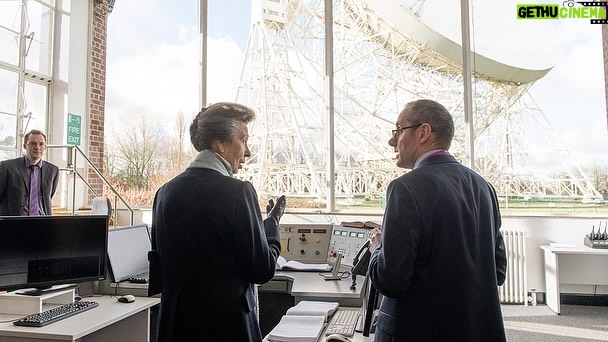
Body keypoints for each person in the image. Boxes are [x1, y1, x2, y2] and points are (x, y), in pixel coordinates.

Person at [368, 99, 507, 341]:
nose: (392, 141)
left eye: (398, 130)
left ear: (423, 132)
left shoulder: (405, 189)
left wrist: (377, 248)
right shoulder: (484, 188)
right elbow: (498, 270)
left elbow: (391, 281)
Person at [150, 102, 286, 342]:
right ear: (219, 144)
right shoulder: (238, 192)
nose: (248, 152)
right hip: (226, 328)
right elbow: (262, 269)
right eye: (243, 140)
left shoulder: (164, 193)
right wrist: (271, 228)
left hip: (175, 329)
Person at [0, 129, 59, 216]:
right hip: (14, 223)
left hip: (42, 223)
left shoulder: (53, 170)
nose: (37, 147)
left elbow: (49, 196)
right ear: (24, 146)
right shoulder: (7, 167)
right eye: (33, 143)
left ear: (45, 147)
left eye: (41, 144)